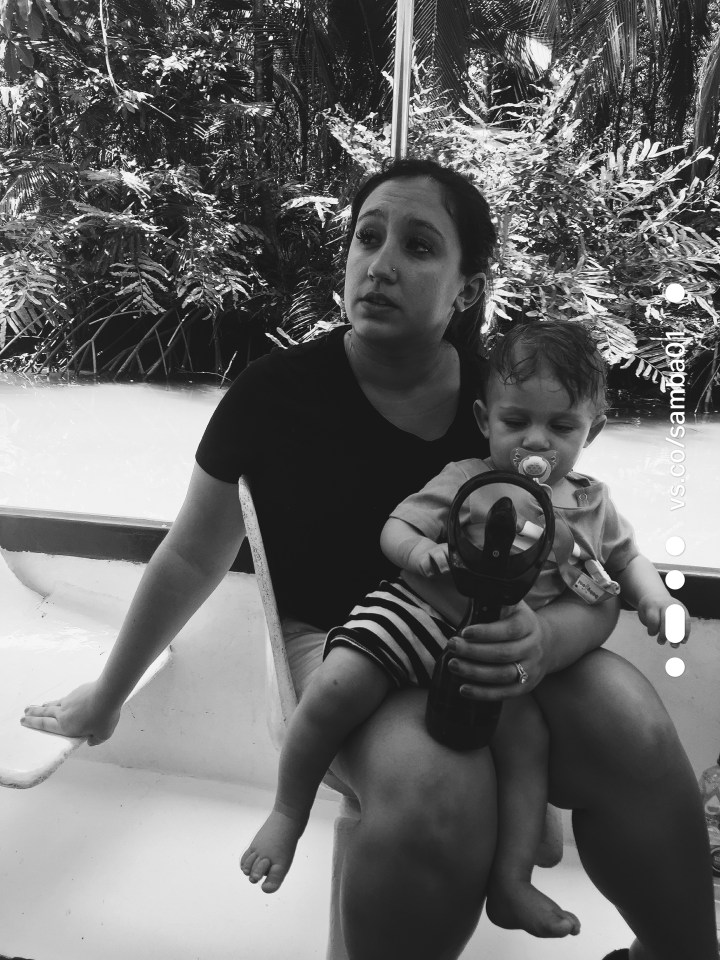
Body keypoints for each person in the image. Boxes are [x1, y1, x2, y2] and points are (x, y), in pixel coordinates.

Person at [20, 159, 718, 960]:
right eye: (368, 237)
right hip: (342, 648)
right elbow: (189, 557)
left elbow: (589, 570)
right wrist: (106, 697)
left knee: (629, 719)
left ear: (465, 288)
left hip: (495, 638)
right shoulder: (275, 395)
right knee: (437, 787)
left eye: (419, 246)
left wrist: (547, 644)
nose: (381, 264)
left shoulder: (511, 405)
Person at [239, 320, 691, 941]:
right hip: (415, 616)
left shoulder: (590, 503)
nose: (537, 441)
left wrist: (656, 599)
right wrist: (417, 554)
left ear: (594, 430)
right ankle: (288, 810)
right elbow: (397, 527)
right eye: (516, 422)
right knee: (343, 680)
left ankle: (510, 882)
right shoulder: (469, 479)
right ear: (484, 419)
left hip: (496, 653)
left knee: (525, 745)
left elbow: (624, 560)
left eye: (561, 427)